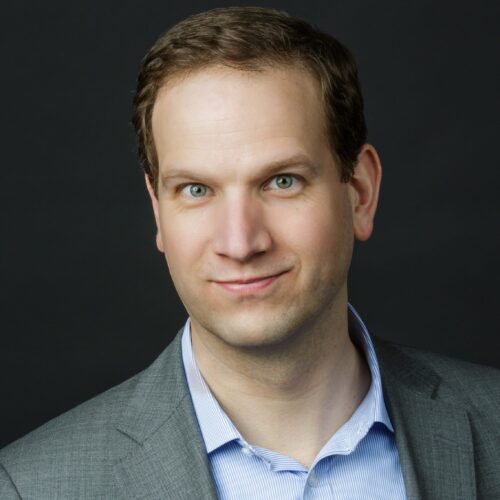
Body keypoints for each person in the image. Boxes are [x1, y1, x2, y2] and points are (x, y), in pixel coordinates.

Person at [1, 6, 499, 499]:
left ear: (360, 193)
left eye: (282, 181)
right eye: (196, 190)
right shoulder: (31, 487)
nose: (240, 243)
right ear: (158, 211)